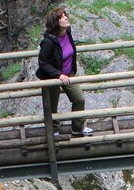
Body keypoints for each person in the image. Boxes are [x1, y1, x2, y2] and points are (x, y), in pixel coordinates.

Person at [36, 7, 93, 136]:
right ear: (56, 22)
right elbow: (43, 63)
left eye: (65, 15)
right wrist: (58, 74)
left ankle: (77, 128)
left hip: (68, 73)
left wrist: (70, 70)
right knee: (52, 105)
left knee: (79, 99)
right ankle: (54, 130)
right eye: (61, 17)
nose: (66, 18)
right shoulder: (48, 42)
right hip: (52, 77)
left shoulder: (68, 32)